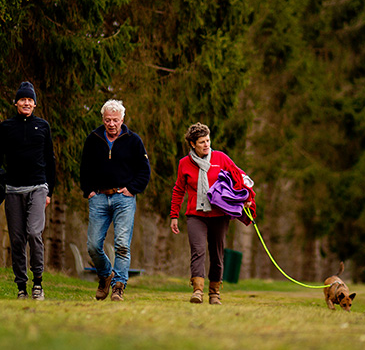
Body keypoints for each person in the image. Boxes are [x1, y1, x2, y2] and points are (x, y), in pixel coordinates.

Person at [0, 81, 56, 300]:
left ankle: (38, 284)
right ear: (16, 103)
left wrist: (50, 191)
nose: (26, 103)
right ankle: (21, 287)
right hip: (12, 189)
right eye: (23, 99)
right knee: (16, 239)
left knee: (34, 232)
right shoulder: (6, 127)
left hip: (38, 187)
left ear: (34, 104)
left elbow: (50, 160)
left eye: (30, 100)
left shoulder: (43, 126)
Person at [170, 122, 255, 305]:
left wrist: (246, 197)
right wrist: (174, 215)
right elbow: (178, 190)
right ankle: (198, 290)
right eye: (202, 142)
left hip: (219, 215)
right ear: (193, 144)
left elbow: (240, 178)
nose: (206, 144)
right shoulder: (184, 164)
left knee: (217, 254)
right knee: (198, 251)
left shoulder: (221, 158)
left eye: (208, 140)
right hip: (195, 215)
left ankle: (214, 292)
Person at [79, 99, 151, 301]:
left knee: (122, 244)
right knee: (93, 246)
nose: (111, 124)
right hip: (99, 197)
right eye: (108, 120)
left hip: (124, 198)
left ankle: (118, 286)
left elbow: (144, 171)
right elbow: (84, 168)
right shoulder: (93, 139)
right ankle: (105, 275)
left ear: (122, 120)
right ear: (103, 119)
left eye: (115, 120)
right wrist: (89, 191)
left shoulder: (133, 140)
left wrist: (132, 189)